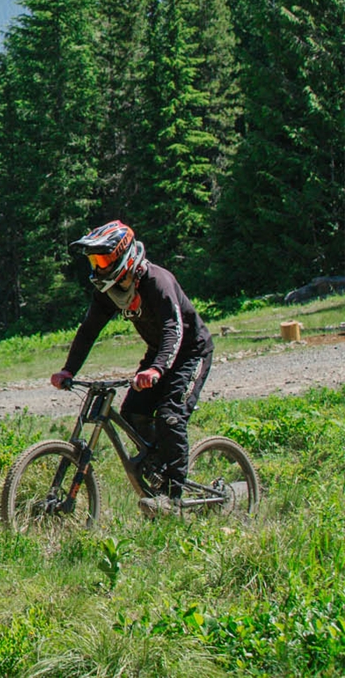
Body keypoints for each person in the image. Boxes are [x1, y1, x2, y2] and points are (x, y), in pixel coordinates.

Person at [50, 220, 214, 516]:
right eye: (94, 260)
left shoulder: (156, 281)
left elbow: (172, 330)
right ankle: (159, 467)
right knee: (132, 413)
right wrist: (68, 370)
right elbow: (88, 331)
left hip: (191, 352)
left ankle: (173, 497)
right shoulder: (108, 291)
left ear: (123, 257)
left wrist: (157, 370)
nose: (98, 266)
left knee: (169, 417)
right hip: (159, 355)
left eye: (103, 259)